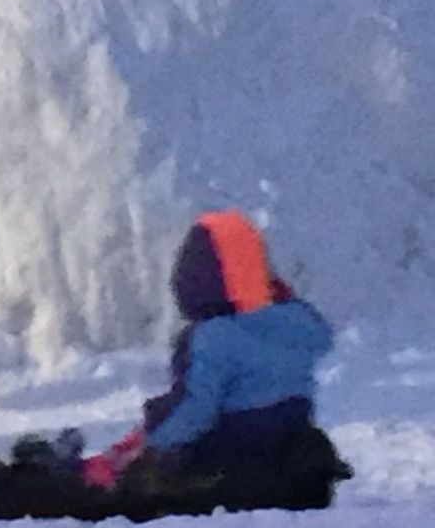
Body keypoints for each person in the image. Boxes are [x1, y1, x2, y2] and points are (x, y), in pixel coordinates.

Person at [76, 211, 348, 511]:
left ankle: (89, 489)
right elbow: (318, 337)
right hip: (289, 462)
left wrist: (151, 433)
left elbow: (195, 409)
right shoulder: (295, 321)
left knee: (162, 472)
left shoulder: (212, 336)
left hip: (231, 465)